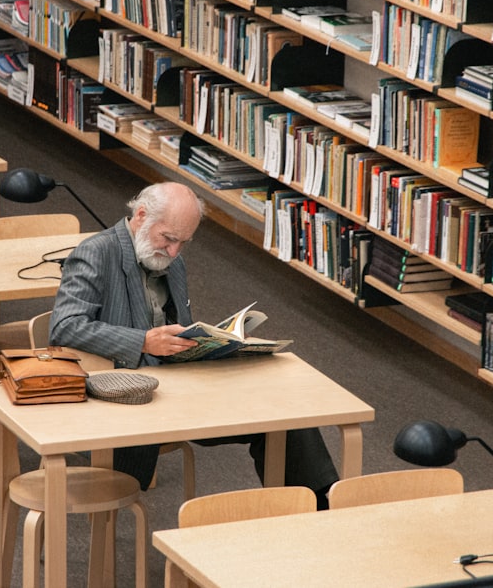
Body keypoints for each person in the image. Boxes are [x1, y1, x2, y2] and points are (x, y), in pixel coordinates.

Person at [48, 181, 338, 508]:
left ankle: (318, 508)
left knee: (284, 414)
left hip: (182, 386)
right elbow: (64, 327)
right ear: (141, 216)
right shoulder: (96, 253)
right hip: (129, 397)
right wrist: (143, 341)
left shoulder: (171, 262)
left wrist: (215, 344)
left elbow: (179, 328)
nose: (173, 252)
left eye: (183, 243)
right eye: (168, 239)